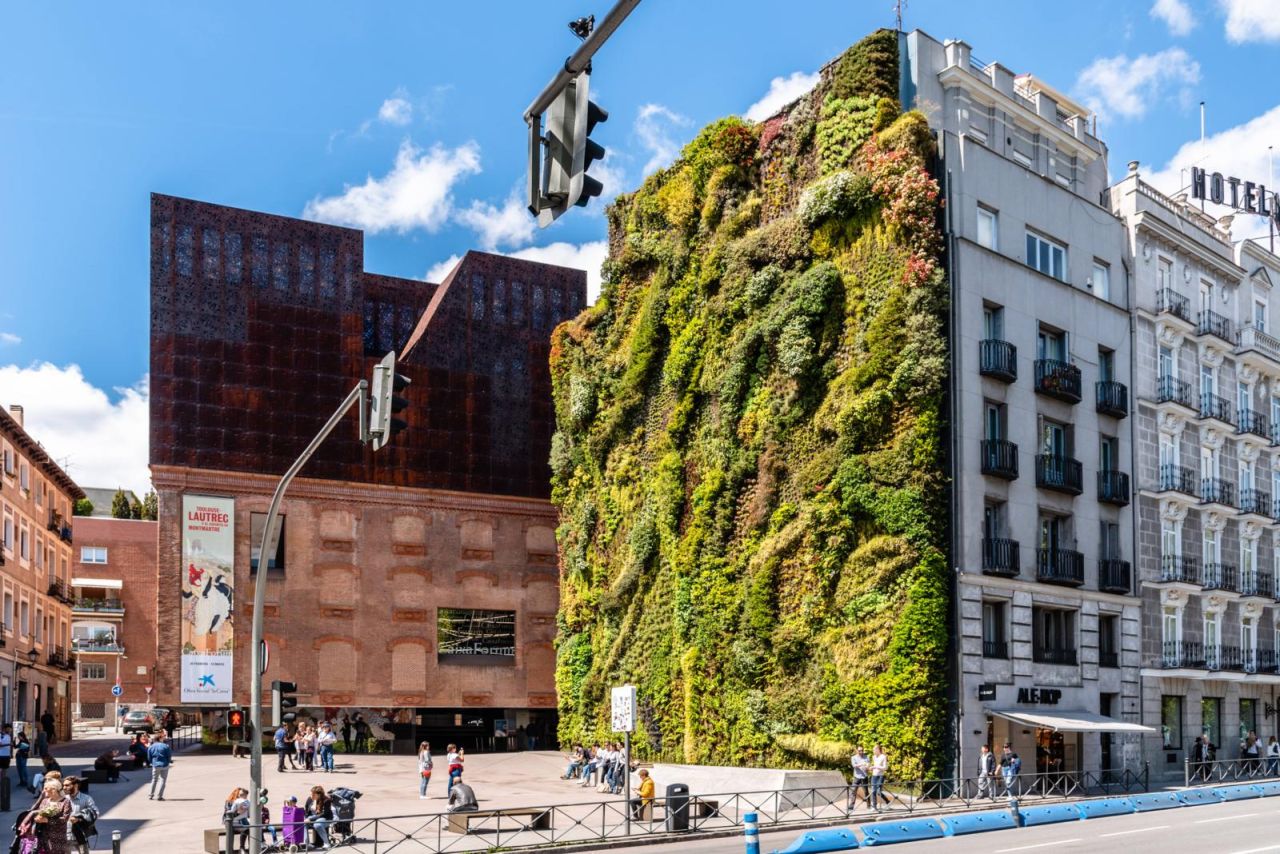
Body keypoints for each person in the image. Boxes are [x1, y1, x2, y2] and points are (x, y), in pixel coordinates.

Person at [19, 778, 71, 854]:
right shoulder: (45, 801)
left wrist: (47, 820)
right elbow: (39, 813)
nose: (44, 790)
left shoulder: (65, 802)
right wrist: (37, 818)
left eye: (46, 788)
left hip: (58, 837)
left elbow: (65, 819)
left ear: (54, 789)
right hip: (43, 836)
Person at [64, 776, 98, 854]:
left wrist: (79, 819)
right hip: (65, 833)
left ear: (75, 785)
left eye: (67, 785)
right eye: (64, 785)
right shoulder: (63, 799)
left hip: (80, 833)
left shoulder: (86, 799)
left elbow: (95, 813)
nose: (64, 787)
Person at [304, 785, 334, 849]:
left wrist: (310, 818)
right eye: (311, 794)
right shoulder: (310, 799)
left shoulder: (326, 800)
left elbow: (324, 813)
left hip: (326, 818)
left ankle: (327, 843)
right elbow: (306, 810)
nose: (311, 795)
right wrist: (306, 818)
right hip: (313, 817)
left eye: (313, 794)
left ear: (319, 795)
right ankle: (307, 843)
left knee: (317, 824)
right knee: (303, 822)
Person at [147, 732, 172, 800]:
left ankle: (151, 795)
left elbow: (149, 757)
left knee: (154, 780)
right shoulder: (165, 746)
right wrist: (168, 761)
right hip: (164, 764)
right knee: (163, 780)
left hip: (155, 764)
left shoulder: (151, 747)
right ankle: (159, 796)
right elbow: (169, 756)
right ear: (160, 739)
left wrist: (151, 762)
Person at [848, 746, 870, 811]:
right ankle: (851, 806)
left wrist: (867, 766)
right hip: (857, 777)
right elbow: (854, 765)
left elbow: (868, 765)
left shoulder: (866, 757)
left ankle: (869, 805)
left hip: (864, 777)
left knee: (866, 792)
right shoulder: (853, 757)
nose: (861, 752)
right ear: (857, 751)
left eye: (862, 750)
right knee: (853, 791)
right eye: (859, 750)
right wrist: (861, 764)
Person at [869, 744, 889, 811]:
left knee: (878, 791)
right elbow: (875, 766)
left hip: (880, 776)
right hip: (874, 775)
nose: (873, 751)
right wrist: (872, 768)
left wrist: (876, 767)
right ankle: (874, 806)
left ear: (878, 750)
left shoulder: (883, 757)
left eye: (874, 750)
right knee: (873, 791)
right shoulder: (874, 757)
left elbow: (885, 768)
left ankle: (887, 802)